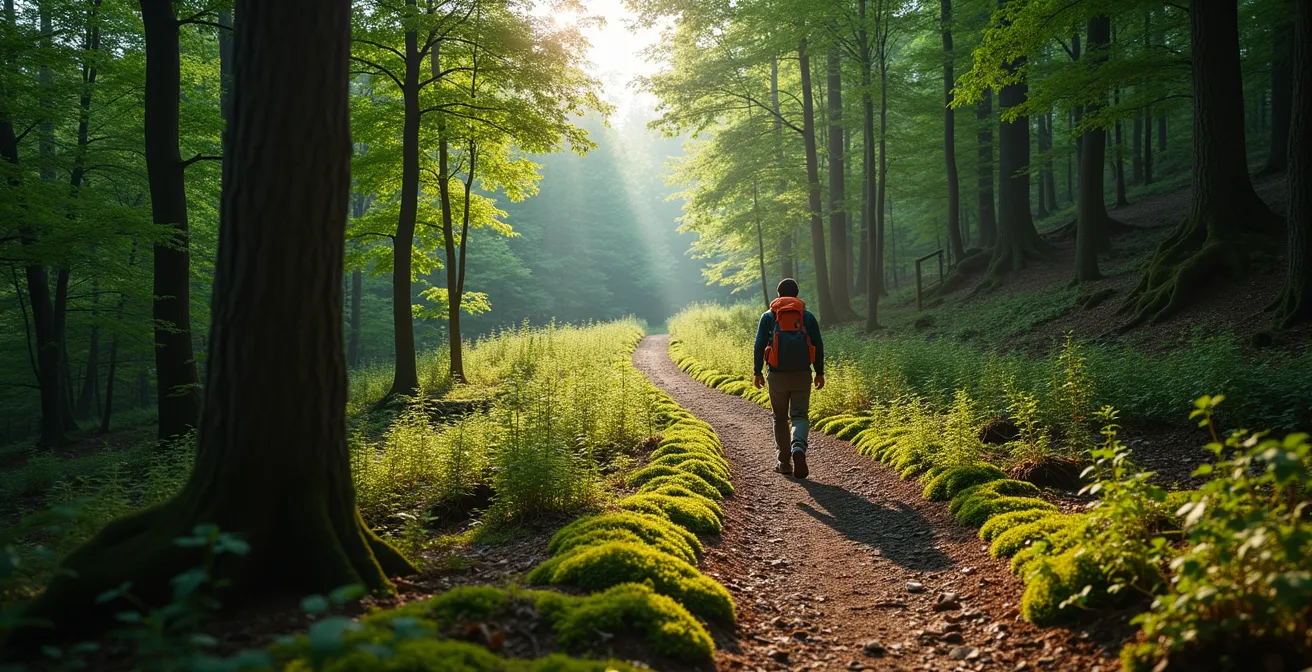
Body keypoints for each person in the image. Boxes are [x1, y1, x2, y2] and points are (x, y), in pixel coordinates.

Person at [752, 278, 824, 479]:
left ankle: (784, 462)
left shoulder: (768, 316)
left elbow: (759, 346)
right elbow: (818, 345)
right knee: (800, 415)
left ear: (778, 295)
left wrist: (757, 372)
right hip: (802, 373)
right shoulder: (807, 317)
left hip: (776, 375)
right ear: (796, 295)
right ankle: (798, 448)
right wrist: (820, 372)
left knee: (780, 417)